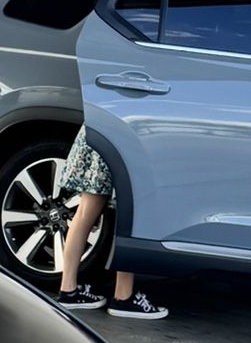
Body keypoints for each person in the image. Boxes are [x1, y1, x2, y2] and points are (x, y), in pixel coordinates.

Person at [55, 127, 167, 320]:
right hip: (124, 137)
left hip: (98, 132)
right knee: (132, 213)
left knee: (84, 214)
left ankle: (68, 290)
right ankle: (123, 296)